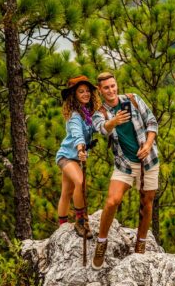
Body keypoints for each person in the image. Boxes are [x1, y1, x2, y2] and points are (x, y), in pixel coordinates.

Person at [91, 72, 159, 269]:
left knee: (146, 204)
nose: (111, 90)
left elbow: (152, 122)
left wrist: (148, 143)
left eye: (113, 86)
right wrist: (115, 121)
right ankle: (101, 243)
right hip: (124, 165)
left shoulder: (133, 99)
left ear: (116, 85)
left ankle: (141, 244)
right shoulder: (101, 113)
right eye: (106, 88)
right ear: (100, 90)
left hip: (149, 161)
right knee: (112, 201)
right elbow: (101, 128)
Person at [55, 75, 101, 239]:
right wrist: (81, 148)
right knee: (79, 183)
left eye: (88, 91)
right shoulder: (75, 115)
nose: (86, 94)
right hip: (67, 157)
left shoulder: (87, 113)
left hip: (74, 157)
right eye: (81, 91)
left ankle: (62, 227)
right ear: (74, 95)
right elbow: (77, 134)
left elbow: (95, 127)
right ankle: (80, 221)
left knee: (66, 192)